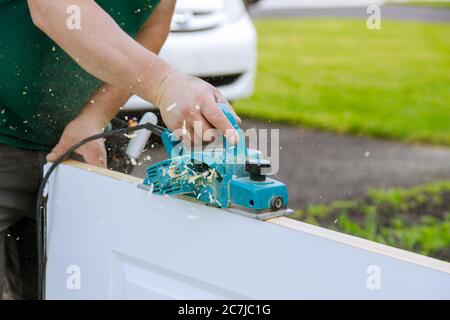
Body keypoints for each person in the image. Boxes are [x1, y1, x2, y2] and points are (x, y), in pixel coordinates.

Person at [0, 0, 241, 299]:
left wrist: (94, 116)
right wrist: (165, 83)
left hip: (70, 145)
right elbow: (55, 7)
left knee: (66, 286)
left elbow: (151, 27)